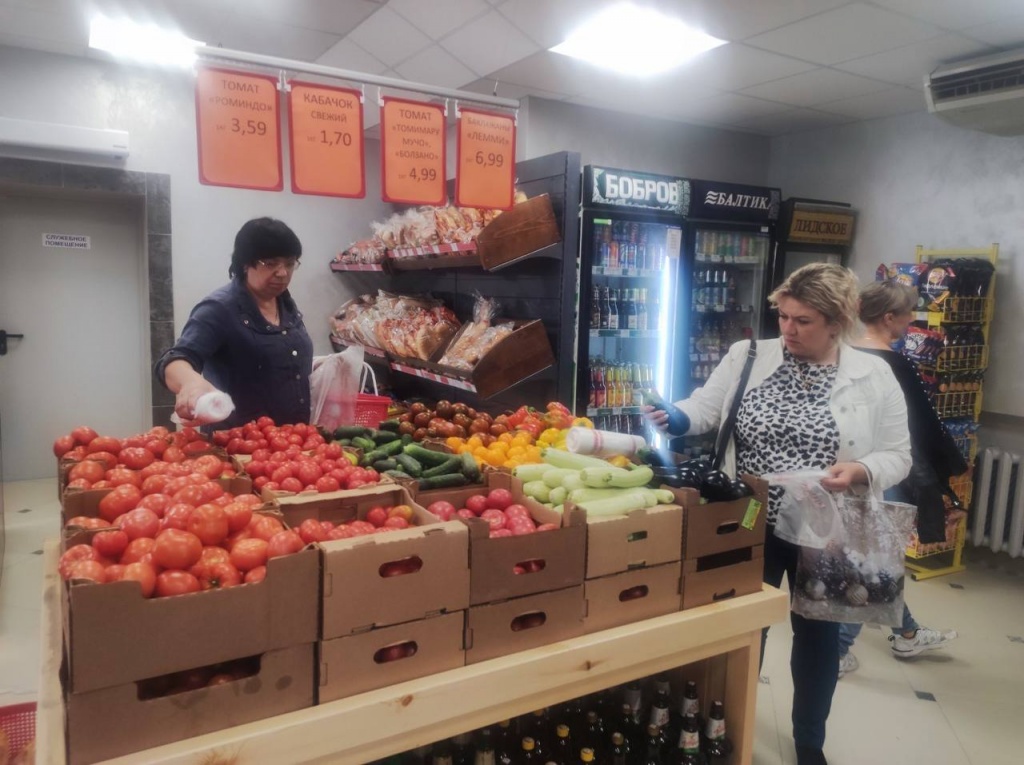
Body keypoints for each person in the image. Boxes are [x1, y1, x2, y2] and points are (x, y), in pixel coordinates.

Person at [645, 263, 911, 765]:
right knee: (743, 628)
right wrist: (676, 416)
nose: (788, 329)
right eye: (784, 316)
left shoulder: (873, 376)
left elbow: (899, 455)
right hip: (749, 521)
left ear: (837, 323)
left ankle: (809, 740)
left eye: (803, 321)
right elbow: (705, 407)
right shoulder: (749, 355)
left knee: (817, 639)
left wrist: (858, 468)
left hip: (825, 531)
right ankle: (727, 725)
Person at [837, 281, 963, 677]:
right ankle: (838, 652)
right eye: (908, 314)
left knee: (875, 557)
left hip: (847, 470)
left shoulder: (843, 353)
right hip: (885, 472)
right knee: (874, 561)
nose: (911, 321)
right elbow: (921, 428)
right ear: (889, 317)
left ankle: (907, 633)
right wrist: (953, 472)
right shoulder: (894, 364)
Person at [155, 217, 313, 429]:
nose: (283, 272)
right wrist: (191, 383)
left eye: (290, 263)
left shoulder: (285, 304)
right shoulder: (219, 308)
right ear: (245, 264)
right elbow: (177, 358)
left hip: (290, 444)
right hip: (239, 447)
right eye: (271, 263)